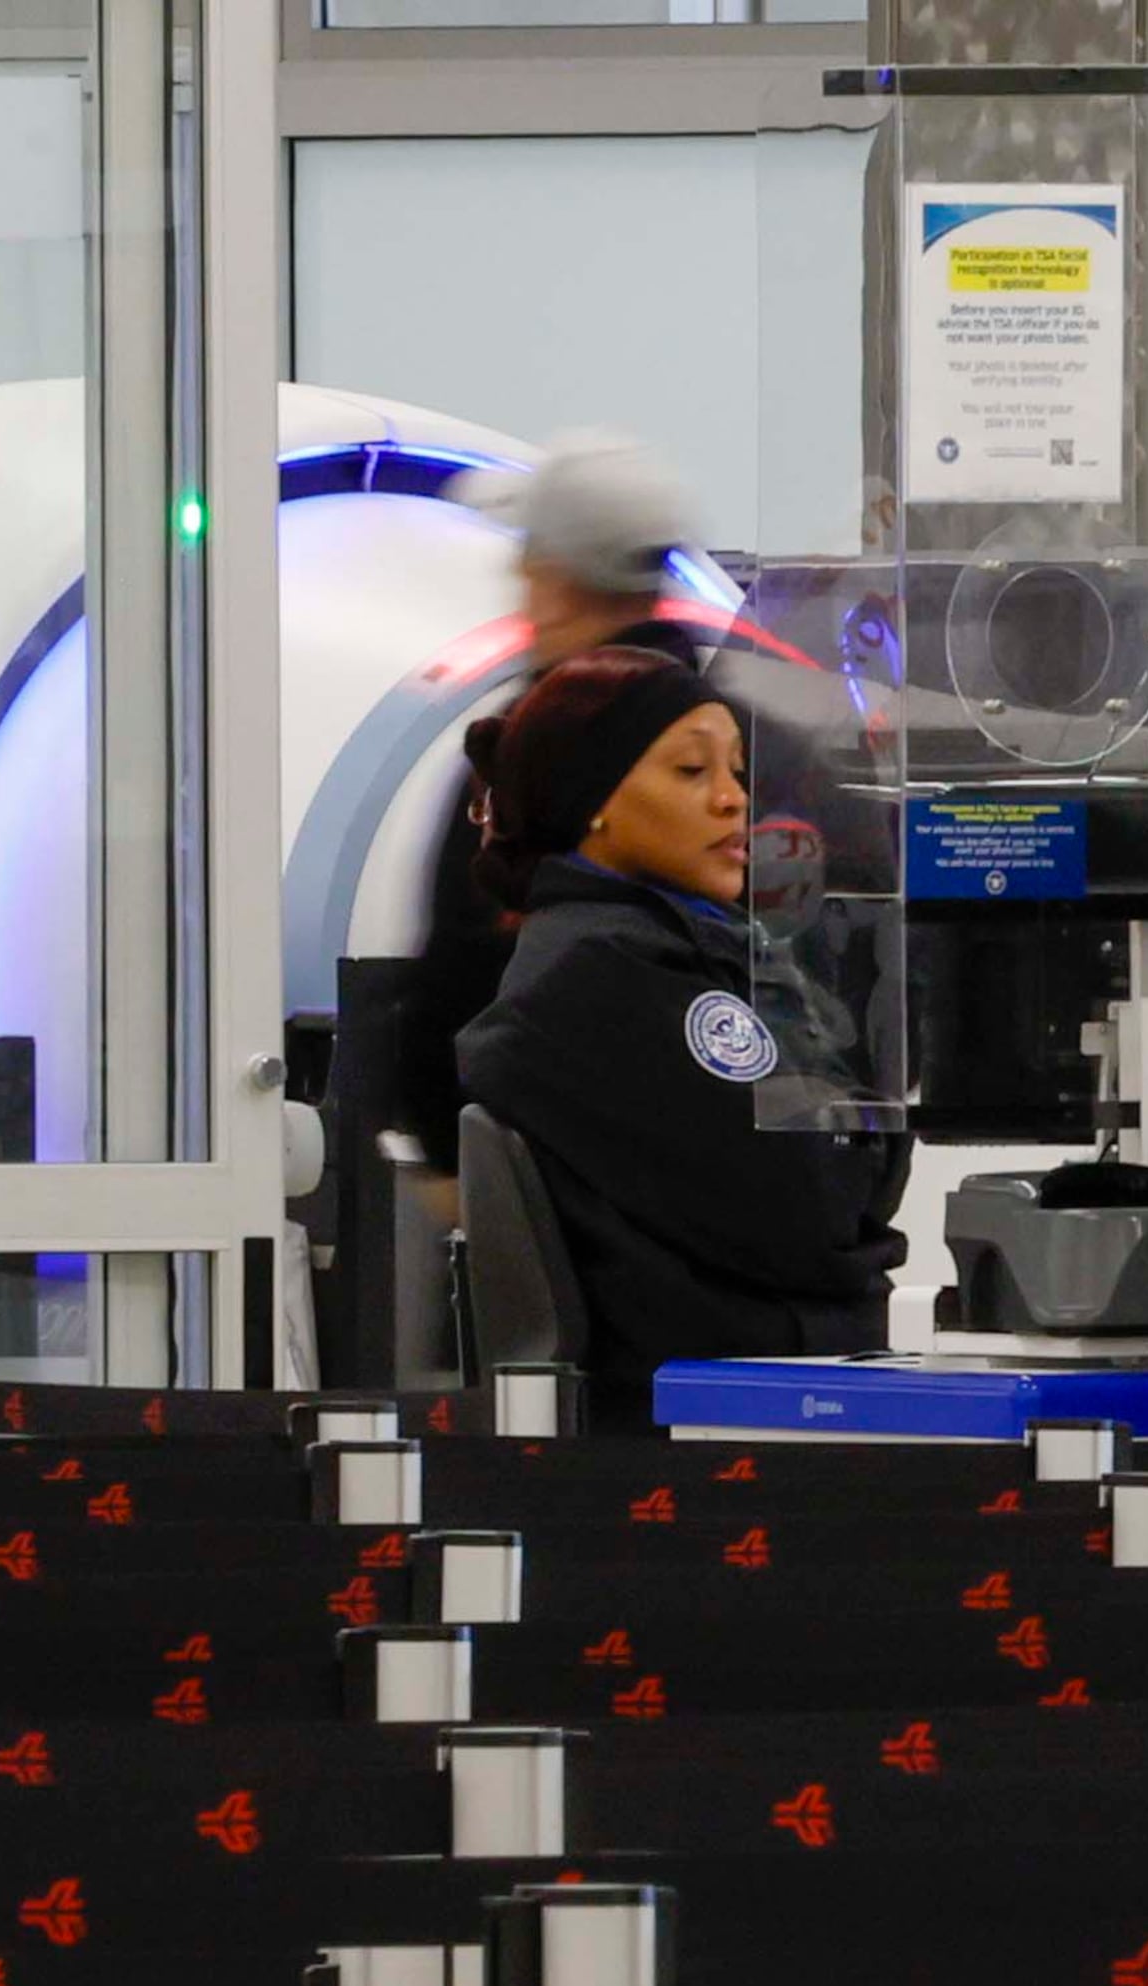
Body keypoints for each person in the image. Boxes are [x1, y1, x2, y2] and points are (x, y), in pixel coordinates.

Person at [454, 646, 909, 1427]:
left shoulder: (696, 950)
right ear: (591, 798)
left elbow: (858, 1161)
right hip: (708, 1430)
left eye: (736, 770)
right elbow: (821, 1211)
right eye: (691, 773)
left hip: (757, 1403)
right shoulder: (607, 979)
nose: (734, 800)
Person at [385, 433, 712, 1173]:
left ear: (559, 582)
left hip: (548, 1185)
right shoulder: (737, 740)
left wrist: (446, 1155)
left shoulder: (527, 754)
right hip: (713, 1191)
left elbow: (461, 967)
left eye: (529, 556)